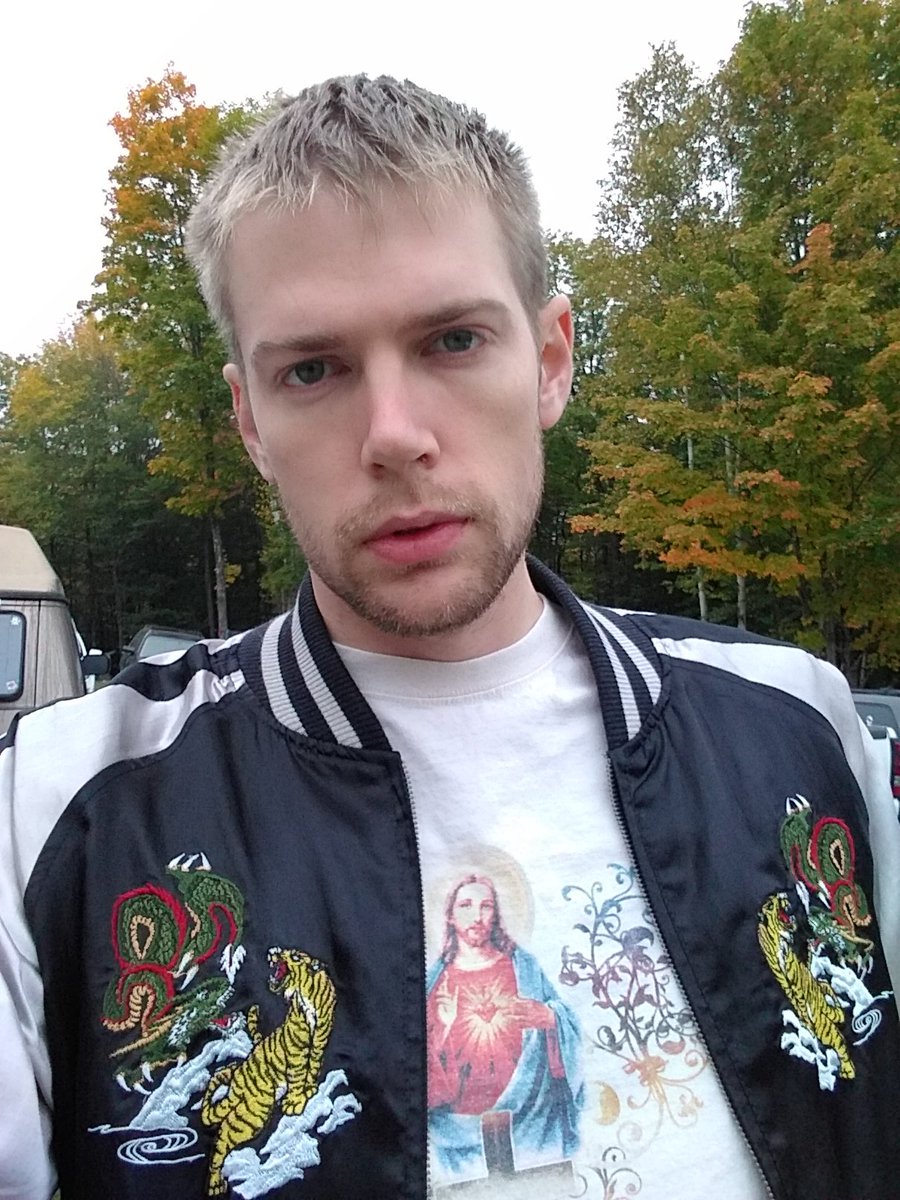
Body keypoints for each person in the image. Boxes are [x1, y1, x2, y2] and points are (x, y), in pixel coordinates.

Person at [0, 74, 898, 1200]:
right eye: (313, 369)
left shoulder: (799, 728)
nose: (394, 435)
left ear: (552, 358)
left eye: (455, 339)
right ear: (249, 420)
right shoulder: (60, 809)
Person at [426, 875, 582, 1180]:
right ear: (450, 915)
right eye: (466, 905)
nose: (477, 915)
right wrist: (443, 1028)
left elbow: (569, 1028)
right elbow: (422, 1070)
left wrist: (550, 1018)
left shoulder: (525, 968)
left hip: (533, 1122)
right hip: (457, 1137)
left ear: (496, 914)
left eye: (486, 906)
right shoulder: (435, 983)